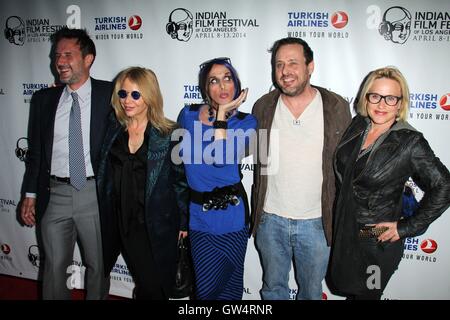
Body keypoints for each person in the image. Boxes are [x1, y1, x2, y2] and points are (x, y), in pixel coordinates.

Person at [329, 66, 450, 300]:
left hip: (375, 235)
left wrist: (405, 228)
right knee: (351, 291)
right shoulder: (359, 125)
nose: (381, 104)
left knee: (368, 293)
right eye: (375, 96)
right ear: (366, 97)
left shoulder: (410, 141)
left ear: (400, 102)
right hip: (347, 229)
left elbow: (445, 185)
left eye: (390, 98)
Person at [251, 37, 351, 300]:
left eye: (293, 63)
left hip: (317, 223)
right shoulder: (263, 107)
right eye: (279, 64)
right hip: (270, 220)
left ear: (310, 66)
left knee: (310, 293)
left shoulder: (336, 107)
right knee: (273, 289)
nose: (285, 71)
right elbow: (253, 154)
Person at [19, 27, 112, 299]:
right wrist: (30, 193)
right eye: (57, 55)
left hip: (94, 195)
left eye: (68, 55)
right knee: (53, 268)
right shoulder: (43, 100)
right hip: (54, 194)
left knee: (99, 268)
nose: (60, 62)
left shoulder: (111, 96)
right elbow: (35, 153)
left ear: (88, 58)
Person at [96, 67, 189, 300]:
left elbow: (181, 182)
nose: (128, 101)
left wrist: (184, 223)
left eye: (136, 95)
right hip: (119, 220)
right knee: (145, 282)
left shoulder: (171, 133)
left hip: (154, 224)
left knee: (154, 286)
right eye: (123, 94)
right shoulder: (113, 128)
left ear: (150, 96)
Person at [176, 57, 257, 300]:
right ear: (205, 87)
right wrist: (181, 218)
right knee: (206, 291)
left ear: (236, 84)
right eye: (214, 80)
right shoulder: (188, 115)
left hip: (232, 217)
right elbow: (180, 169)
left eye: (227, 78)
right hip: (199, 217)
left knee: (231, 289)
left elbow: (221, 157)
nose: (222, 86)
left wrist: (221, 114)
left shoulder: (247, 122)